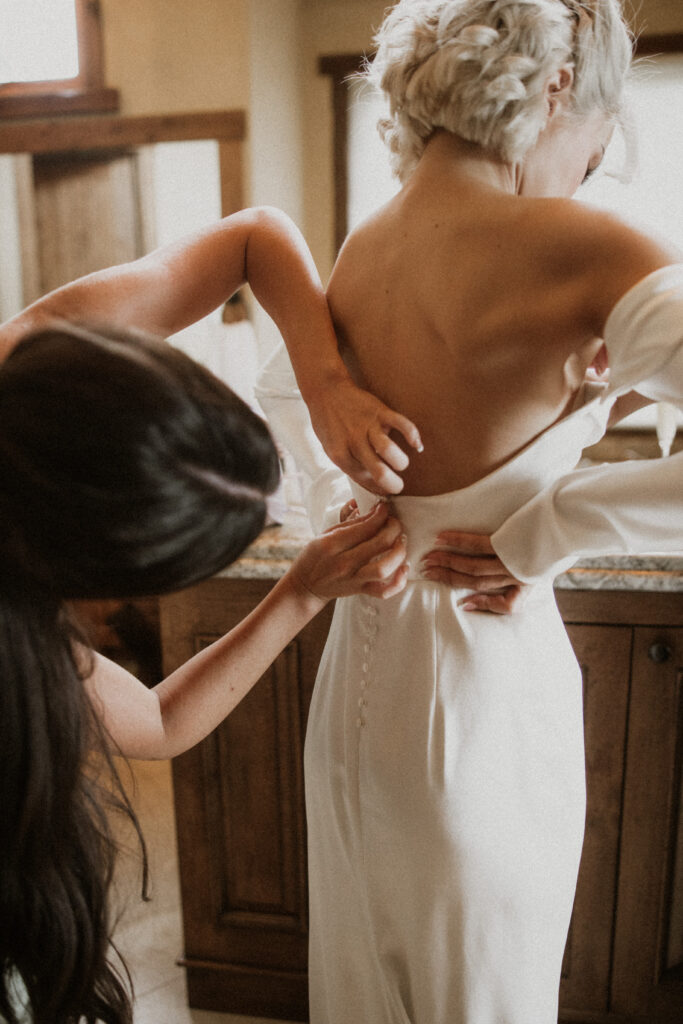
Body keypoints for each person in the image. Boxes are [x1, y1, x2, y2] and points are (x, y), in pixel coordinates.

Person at [255, 1, 682, 1021]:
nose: (583, 172)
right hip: (485, 698)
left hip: (356, 710)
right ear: (551, 94)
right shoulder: (583, 245)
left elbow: (291, 397)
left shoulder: (363, 247)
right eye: (592, 143)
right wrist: (555, 525)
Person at [0, 211, 415, 1024]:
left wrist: (325, 383)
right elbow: (152, 718)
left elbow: (254, 238)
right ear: (72, 575)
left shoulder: (36, 367)